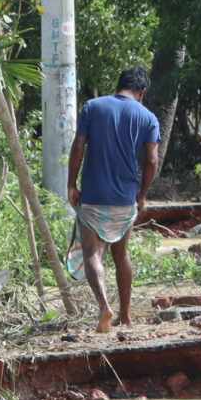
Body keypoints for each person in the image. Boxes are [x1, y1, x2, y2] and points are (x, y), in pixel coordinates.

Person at [66, 66, 162, 333]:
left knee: (92, 254)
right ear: (141, 92)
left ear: (118, 85)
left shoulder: (93, 107)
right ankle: (126, 315)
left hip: (94, 195)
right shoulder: (148, 118)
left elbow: (78, 147)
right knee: (121, 255)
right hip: (125, 198)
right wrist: (141, 195)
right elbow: (152, 160)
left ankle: (103, 306)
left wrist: (71, 184)